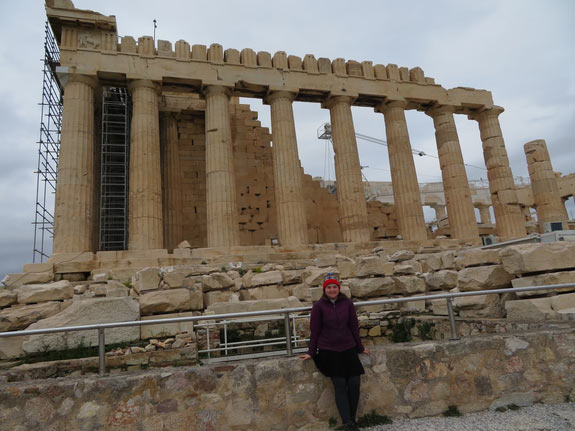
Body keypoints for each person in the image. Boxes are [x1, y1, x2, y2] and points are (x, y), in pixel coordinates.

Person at [299, 273, 370, 430]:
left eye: (334, 287)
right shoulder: (318, 306)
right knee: (339, 384)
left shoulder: (348, 304)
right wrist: (311, 352)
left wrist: (360, 347)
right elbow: (315, 330)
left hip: (348, 348)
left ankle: (352, 419)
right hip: (328, 350)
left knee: (354, 382)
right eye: (329, 287)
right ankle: (346, 422)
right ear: (325, 290)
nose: (332, 290)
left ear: (339, 288)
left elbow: (354, 327)